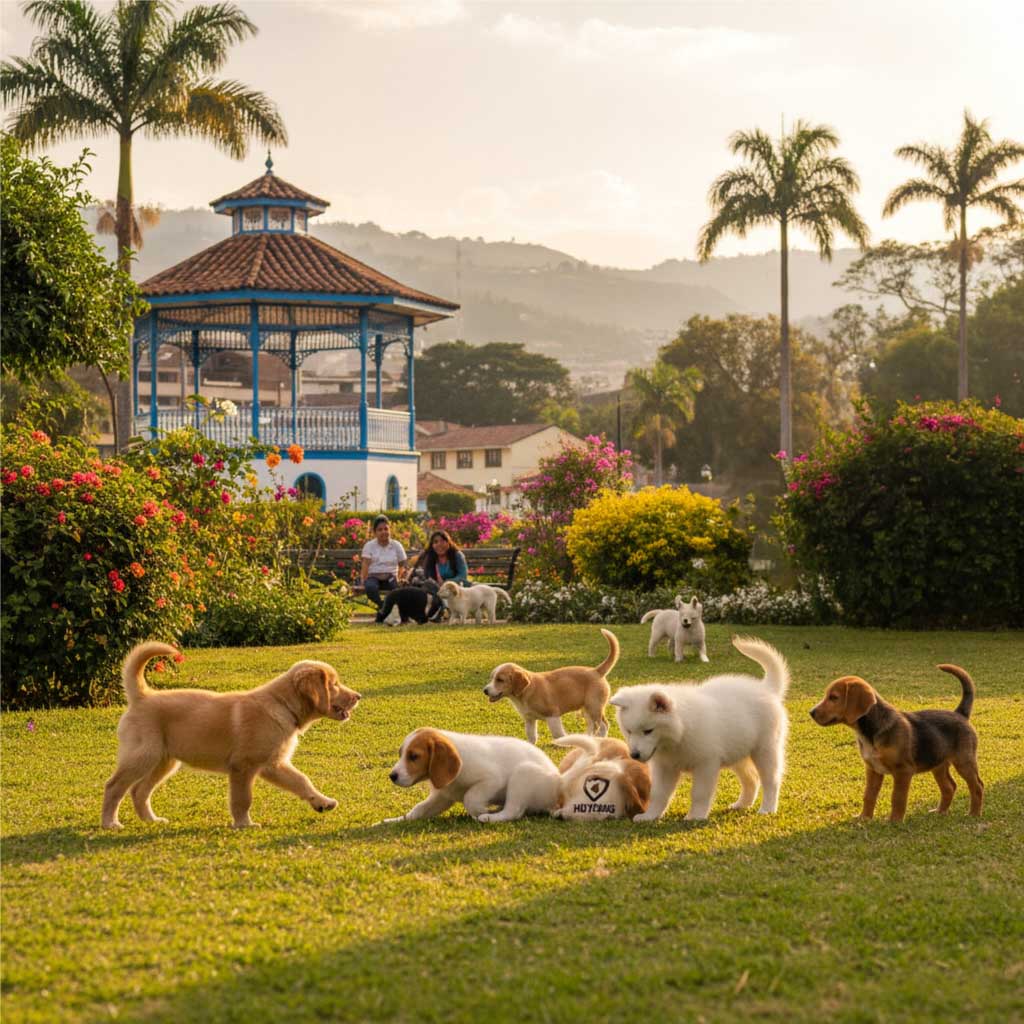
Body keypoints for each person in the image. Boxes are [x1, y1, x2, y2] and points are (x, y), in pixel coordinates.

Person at [412, 530, 469, 621]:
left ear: (448, 542)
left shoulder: (457, 555)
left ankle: (442, 610)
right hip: (437, 589)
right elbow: (428, 578)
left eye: (443, 541)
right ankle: (442, 609)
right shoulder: (430, 557)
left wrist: (448, 583)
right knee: (427, 585)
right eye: (435, 542)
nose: (439, 544)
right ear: (432, 545)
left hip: (455, 588)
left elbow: (463, 576)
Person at [360, 515, 408, 608]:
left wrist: (400, 577)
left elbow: (403, 564)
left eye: (386, 529)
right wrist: (363, 581)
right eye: (380, 529)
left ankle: (390, 609)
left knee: (397, 589)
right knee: (370, 587)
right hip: (373, 577)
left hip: (390, 577)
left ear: (390, 530)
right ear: (375, 532)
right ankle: (382, 606)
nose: (383, 532)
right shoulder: (369, 546)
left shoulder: (396, 545)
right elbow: (365, 565)